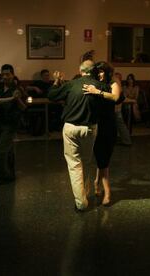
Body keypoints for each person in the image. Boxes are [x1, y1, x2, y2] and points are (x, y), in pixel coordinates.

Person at [48, 60, 105, 211]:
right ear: (93, 71)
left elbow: (52, 95)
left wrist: (56, 81)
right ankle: (84, 195)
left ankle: (81, 202)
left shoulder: (72, 84)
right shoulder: (99, 86)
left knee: (74, 165)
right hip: (89, 128)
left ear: (80, 71)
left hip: (70, 127)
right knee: (86, 161)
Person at [82, 61, 124, 206]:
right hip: (94, 125)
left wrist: (97, 92)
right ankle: (100, 186)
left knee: (104, 159)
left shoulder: (113, 83)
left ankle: (104, 189)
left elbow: (116, 97)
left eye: (102, 72)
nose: (99, 74)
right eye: (97, 72)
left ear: (107, 72)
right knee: (100, 159)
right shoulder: (93, 83)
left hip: (108, 126)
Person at [0, 64, 26, 185]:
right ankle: (10, 175)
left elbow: (24, 107)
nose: (5, 76)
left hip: (10, 123)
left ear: (13, 75)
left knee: (1, 150)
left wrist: (17, 98)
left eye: (8, 74)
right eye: (4, 74)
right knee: (9, 150)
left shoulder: (17, 88)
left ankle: (1, 176)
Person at [113, 72, 131, 145]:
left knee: (120, 124)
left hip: (116, 108)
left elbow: (120, 98)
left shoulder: (116, 84)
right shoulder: (119, 85)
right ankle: (126, 140)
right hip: (116, 108)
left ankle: (127, 141)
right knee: (119, 124)